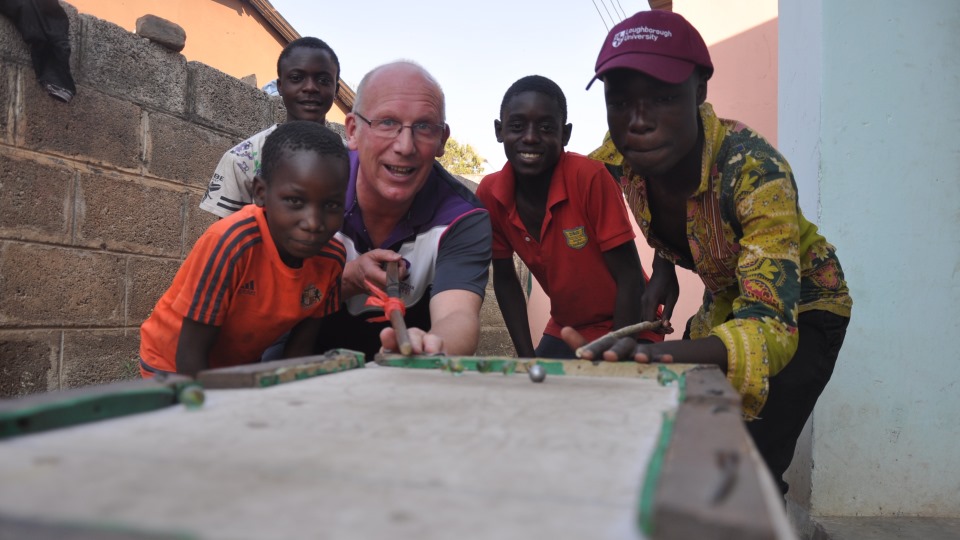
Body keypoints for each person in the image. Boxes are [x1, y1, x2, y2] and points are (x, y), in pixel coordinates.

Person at [573, 10, 853, 496]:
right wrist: (664, 267)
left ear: (700, 90)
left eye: (662, 98)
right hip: (727, 300)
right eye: (620, 102)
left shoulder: (755, 171)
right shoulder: (619, 157)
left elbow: (769, 322)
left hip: (801, 309)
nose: (638, 121)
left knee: (751, 467)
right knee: (688, 442)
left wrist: (659, 356)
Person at [139, 122, 350, 377]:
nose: (314, 223)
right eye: (295, 201)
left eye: (331, 205)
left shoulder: (332, 259)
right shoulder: (232, 244)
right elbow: (190, 355)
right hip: (172, 364)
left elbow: (300, 351)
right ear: (260, 193)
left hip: (236, 367)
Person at [312, 61, 492, 359]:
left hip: (408, 370)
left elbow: (458, 316)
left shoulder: (463, 217)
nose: (405, 146)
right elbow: (272, 296)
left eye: (423, 127)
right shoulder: (312, 188)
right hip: (304, 358)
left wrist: (434, 347)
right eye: (387, 123)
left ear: (441, 141)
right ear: (353, 130)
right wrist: (346, 279)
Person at [476, 75, 661, 359]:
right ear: (500, 131)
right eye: (517, 126)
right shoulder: (491, 193)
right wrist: (527, 359)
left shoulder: (588, 177)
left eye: (546, 127)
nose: (530, 137)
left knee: (616, 395)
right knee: (539, 393)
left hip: (630, 322)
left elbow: (630, 277)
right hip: (566, 326)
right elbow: (505, 279)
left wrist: (618, 352)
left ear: (565, 135)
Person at [200, 37, 341, 217]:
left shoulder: (353, 160)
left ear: (336, 90)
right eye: (297, 78)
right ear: (280, 86)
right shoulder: (242, 160)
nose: (310, 87)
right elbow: (229, 237)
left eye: (323, 80)